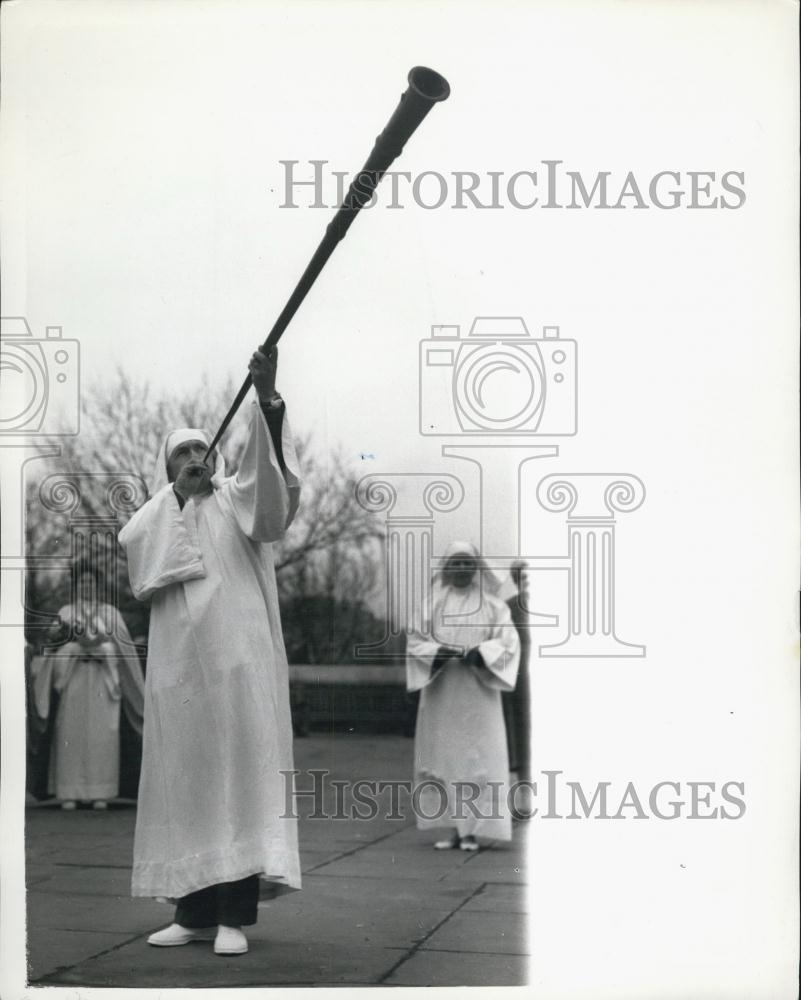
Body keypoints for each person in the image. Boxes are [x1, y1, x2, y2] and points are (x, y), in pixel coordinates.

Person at [118, 347, 301, 958]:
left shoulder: (235, 500)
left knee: (241, 780)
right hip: (182, 676)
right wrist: (174, 496)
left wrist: (267, 403)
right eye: (182, 454)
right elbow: (141, 557)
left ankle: (233, 916)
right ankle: (193, 911)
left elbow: (270, 496)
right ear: (167, 467)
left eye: (203, 451)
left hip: (239, 666)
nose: (196, 460)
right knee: (190, 784)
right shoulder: (155, 515)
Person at [406, 541, 520, 851]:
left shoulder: (494, 606)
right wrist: (437, 653)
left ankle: (473, 831)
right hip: (443, 692)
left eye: (466, 564)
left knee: (478, 756)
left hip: (478, 692)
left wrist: (482, 654)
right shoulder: (431, 604)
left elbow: (508, 642)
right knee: (446, 755)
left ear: (476, 568)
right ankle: (454, 829)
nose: (460, 569)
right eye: (455, 564)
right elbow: (415, 640)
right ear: (445, 568)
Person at [31, 560, 146, 809]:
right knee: (70, 733)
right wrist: (73, 649)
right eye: (82, 582)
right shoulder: (66, 613)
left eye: (91, 582)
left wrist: (103, 651)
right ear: (76, 585)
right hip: (74, 680)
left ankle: (101, 793)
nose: (86, 586)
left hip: (103, 683)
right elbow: (53, 650)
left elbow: (123, 651)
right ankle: (69, 792)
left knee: (102, 735)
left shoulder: (110, 614)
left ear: (98, 586)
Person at [502, 560, 534, 819]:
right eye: (521, 578)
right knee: (522, 742)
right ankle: (524, 800)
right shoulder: (508, 608)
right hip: (521, 683)